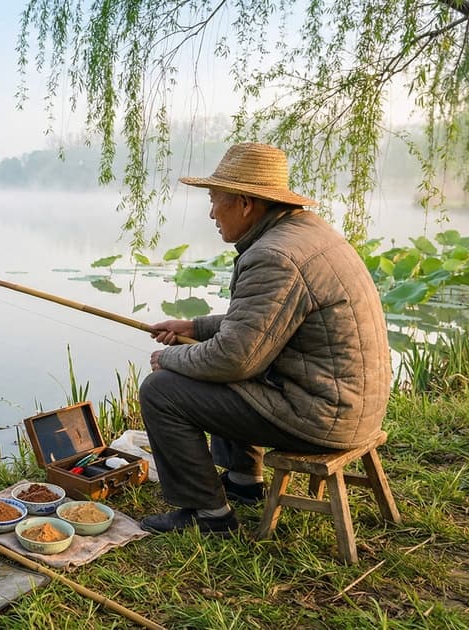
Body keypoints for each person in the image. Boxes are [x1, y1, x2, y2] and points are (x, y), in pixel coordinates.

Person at [138, 142, 391, 535]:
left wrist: (169, 360)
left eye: (214, 200)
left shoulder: (274, 255)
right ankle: (243, 482)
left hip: (325, 414)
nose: (210, 213)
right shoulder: (307, 232)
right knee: (222, 364)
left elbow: (234, 359)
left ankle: (209, 516)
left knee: (162, 390)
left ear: (244, 203)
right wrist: (197, 328)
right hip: (349, 403)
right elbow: (264, 324)